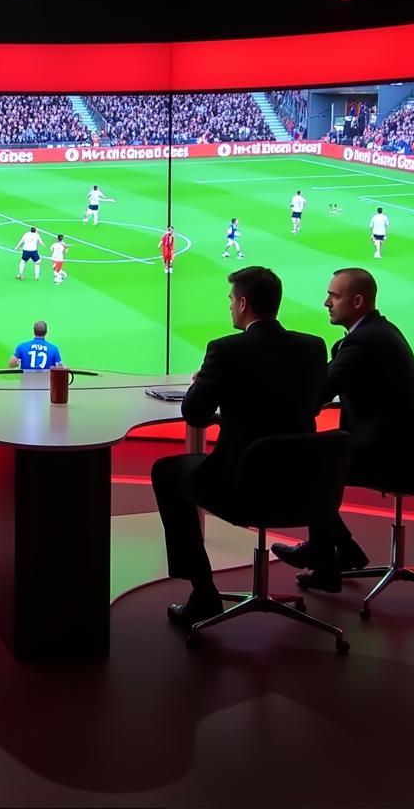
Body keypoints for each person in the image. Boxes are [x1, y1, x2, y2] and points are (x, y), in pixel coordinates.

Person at [150, 266, 327, 626]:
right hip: (302, 484)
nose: (229, 306)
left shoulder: (225, 350)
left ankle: (203, 591)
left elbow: (195, 414)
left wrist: (204, 387)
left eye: (231, 299)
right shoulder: (313, 347)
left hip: (242, 486)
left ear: (244, 303)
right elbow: (302, 406)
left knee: (167, 472)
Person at [273, 268, 414, 591]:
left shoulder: (362, 343)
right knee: (316, 458)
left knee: (306, 463)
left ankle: (332, 555)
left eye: (334, 296)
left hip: (390, 453)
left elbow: (318, 393)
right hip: (406, 443)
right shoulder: (378, 332)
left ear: (357, 301)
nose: (326, 302)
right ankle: (339, 551)